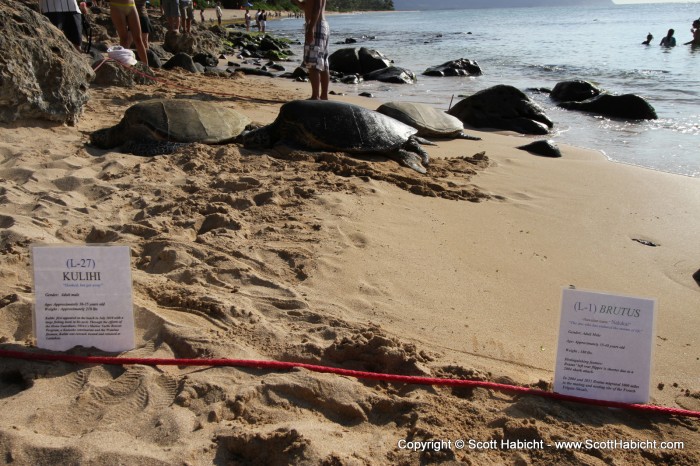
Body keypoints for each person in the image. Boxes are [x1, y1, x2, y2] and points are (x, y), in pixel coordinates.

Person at [291, 0, 330, 100]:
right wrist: (297, 2)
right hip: (320, 24)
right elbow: (307, 6)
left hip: (316, 25)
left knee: (313, 63)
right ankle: (324, 95)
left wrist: (311, 28)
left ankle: (315, 96)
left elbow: (317, 7)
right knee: (323, 63)